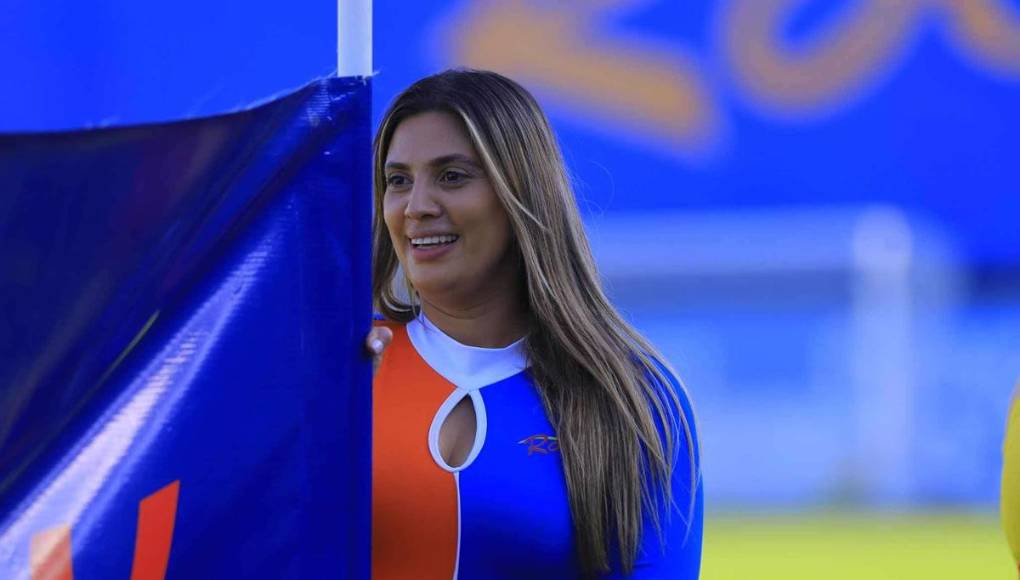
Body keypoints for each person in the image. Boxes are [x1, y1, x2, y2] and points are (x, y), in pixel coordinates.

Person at [364, 69, 702, 579]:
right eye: (398, 181)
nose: (417, 207)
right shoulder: (342, 367)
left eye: (452, 176)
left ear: (521, 191)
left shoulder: (631, 398)